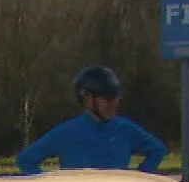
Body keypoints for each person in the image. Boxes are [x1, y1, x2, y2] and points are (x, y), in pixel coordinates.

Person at [15, 66, 168, 174]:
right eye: (107, 99)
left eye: (116, 98)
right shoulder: (66, 133)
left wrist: (138, 179)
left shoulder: (124, 129)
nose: (113, 104)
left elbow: (157, 150)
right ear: (88, 99)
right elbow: (25, 160)